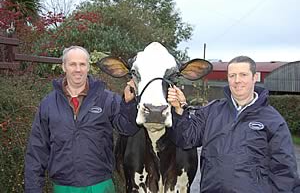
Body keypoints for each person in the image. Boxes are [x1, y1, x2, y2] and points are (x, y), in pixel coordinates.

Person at [167, 56, 299, 192]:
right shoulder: (212, 111)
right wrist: (178, 109)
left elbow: (284, 172)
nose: (237, 81)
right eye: (232, 75)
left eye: (243, 75)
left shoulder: (273, 121)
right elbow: (186, 138)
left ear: (255, 77)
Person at [24, 46, 138, 193]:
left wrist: (129, 104)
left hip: (100, 185)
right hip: (63, 186)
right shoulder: (48, 104)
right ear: (64, 67)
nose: (78, 69)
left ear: (88, 67)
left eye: (82, 64)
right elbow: (36, 150)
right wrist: (33, 189)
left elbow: (128, 128)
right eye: (72, 64)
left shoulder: (107, 99)